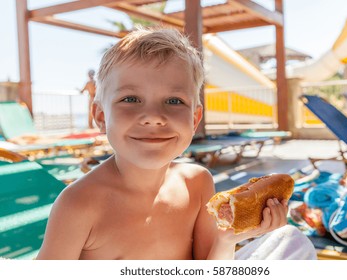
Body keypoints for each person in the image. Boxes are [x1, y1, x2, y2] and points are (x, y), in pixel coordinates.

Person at [36, 27, 315, 260]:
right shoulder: (79, 204)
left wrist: (229, 238)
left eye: (174, 101)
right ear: (100, 116)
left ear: (195, 119)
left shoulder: (197, 183)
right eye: (130, 99)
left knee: (292, 241)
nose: (154, 117)